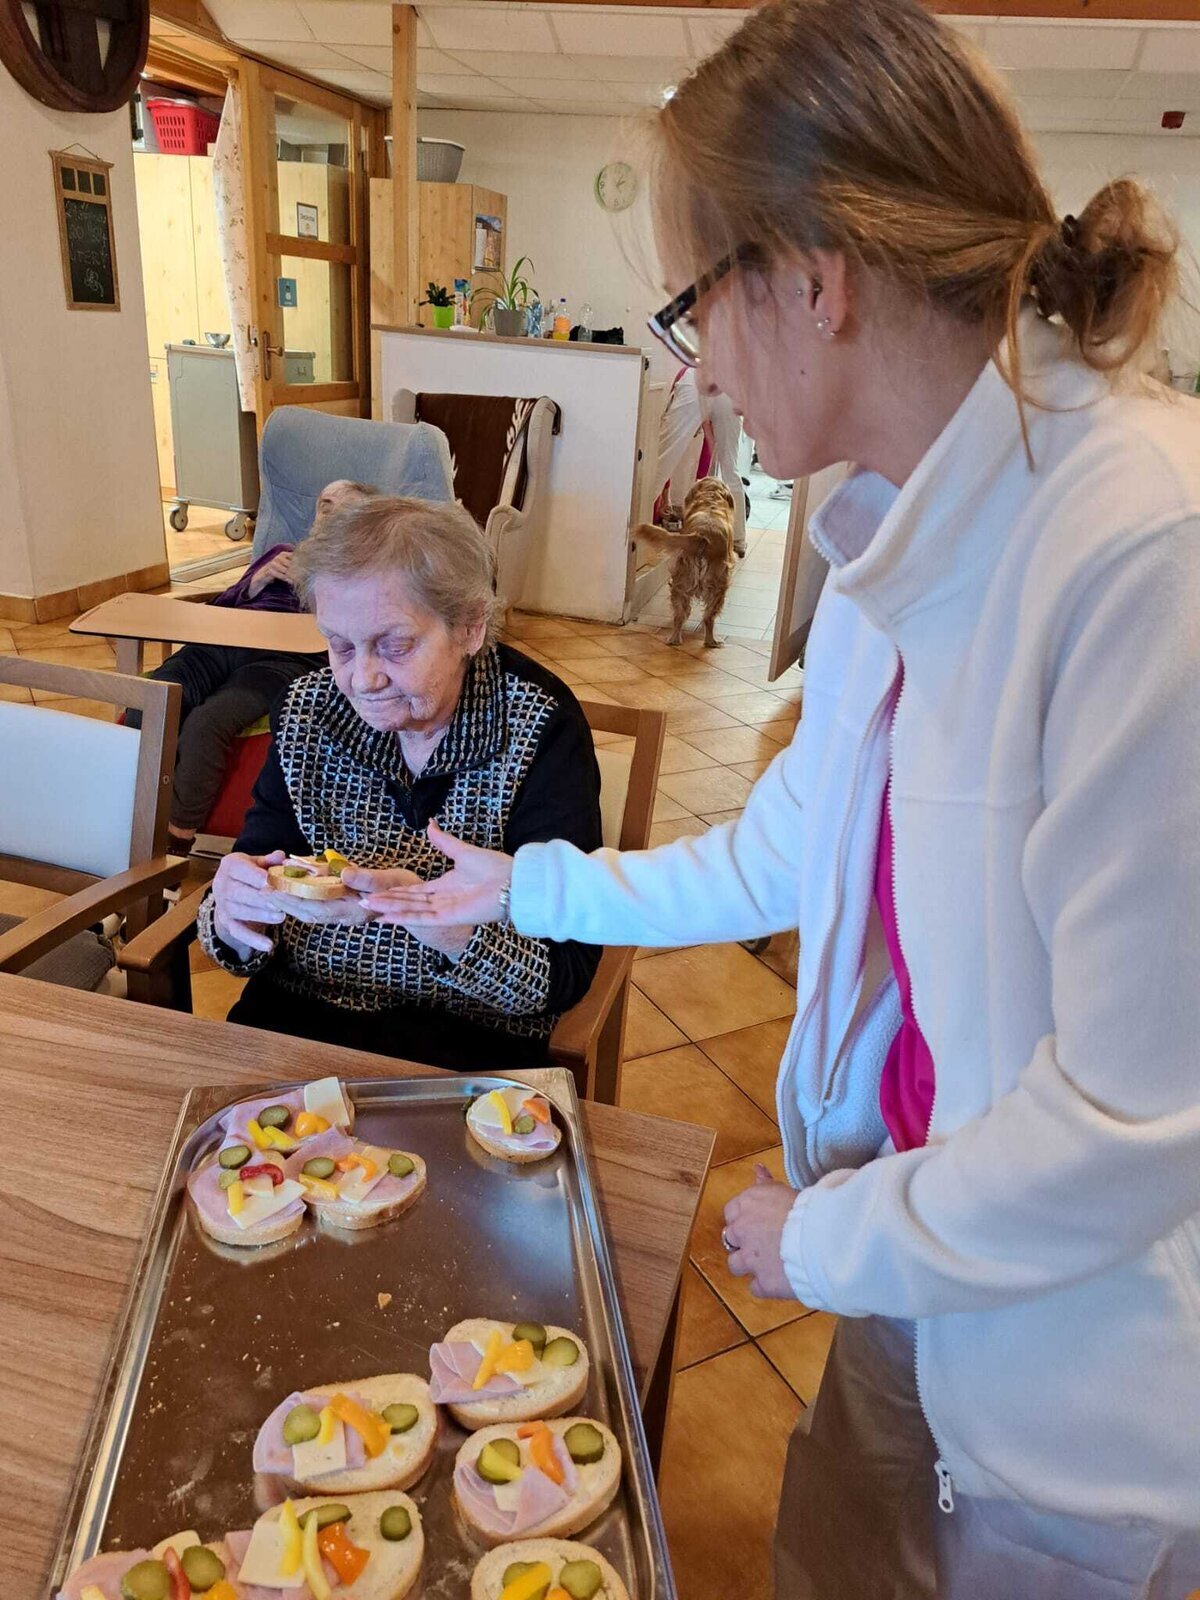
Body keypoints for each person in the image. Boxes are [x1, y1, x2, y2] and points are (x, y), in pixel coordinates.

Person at [353, 2, 1200, 1595]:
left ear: (815, 282)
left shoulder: (1144, 544)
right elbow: (788, 851)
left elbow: (1137, 1119)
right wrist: (527, 884)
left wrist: (822, 1242)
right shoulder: (898, 522)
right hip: (909, 1242)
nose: (699, 369)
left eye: (693, 308)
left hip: (1076, 1379)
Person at [198, 495, 602, 1073]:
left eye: (395, 645)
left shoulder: (538, 726)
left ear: (470, 626)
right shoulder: (308, 709)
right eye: (340, 645)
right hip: (299, 1017)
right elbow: (253, 880)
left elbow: (566, 968)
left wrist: (445, 927)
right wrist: (234, 916)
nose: (362, 678)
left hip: (469, 1037)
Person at [137, 480, 373, 850]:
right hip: (226, 641)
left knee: (207, 723)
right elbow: (219, 607)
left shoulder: (360, 577)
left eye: (341, 510)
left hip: (283, 660)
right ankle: (129, 815)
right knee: (151, 699)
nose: (328, 514)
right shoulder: (279, 553)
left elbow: (348, 634)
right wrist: (256, 582)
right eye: (324, 504)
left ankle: (175, 838)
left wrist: (319, 588)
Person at [653, 366, 748, 553]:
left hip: (701, 375)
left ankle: (634, 525)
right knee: (729, 468)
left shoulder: (686, 373)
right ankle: (737, 538)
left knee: (662, 460)